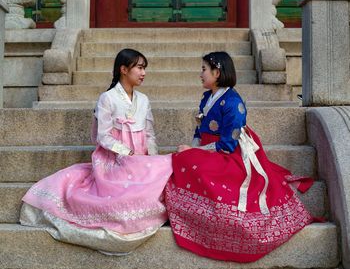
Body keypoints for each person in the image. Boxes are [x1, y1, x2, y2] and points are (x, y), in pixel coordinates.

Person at [164, 51, 313, 262]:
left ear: (217, 72)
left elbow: (227, 144)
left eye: (204, 69)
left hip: (231, 153)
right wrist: (192, 147)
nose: (200, 74)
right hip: (211, 148)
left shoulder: (233, 102)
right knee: (182, 158)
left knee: (189, 161)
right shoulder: (208, 97)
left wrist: (194, 152)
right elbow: (200, 130)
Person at [20, 48, 172, 255]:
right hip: (114, 159)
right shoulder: (107, 98)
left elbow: (149, 133)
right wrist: (125, 151)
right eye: (139, 67)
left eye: (144, 68)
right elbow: (103, 136)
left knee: (165, 168)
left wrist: (152, 158)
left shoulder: (143, 100)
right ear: (123, 69)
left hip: (141, 159)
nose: (143, 73)